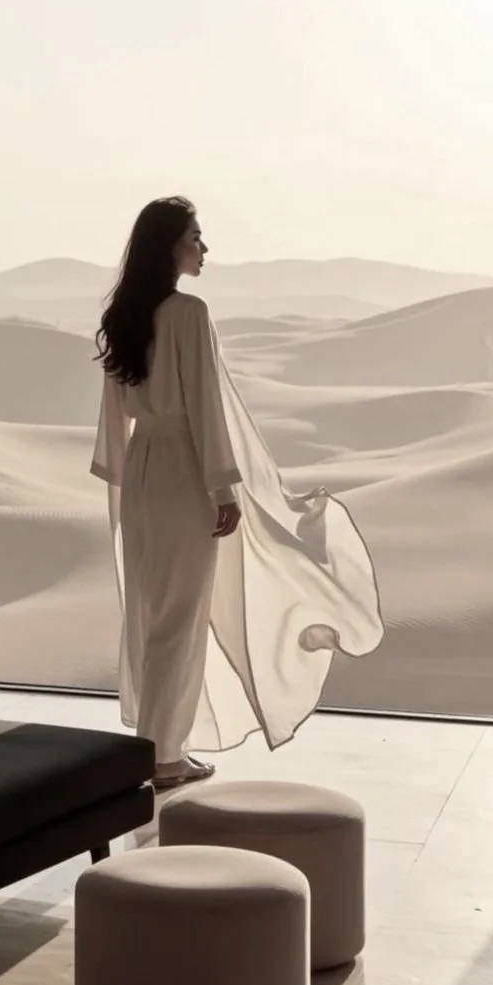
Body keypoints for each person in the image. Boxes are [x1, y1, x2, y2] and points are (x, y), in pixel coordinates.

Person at [91, 196, 383, 790]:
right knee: (179, 619)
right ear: (170, 245)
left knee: (153, 616)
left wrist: (128, 480)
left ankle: (155, 748)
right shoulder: (186, 313)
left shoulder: (127, 315)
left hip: (143, 476)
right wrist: (224, 487)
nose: (204, 248)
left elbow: (115, 417)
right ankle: (164, 757)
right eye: (196, 237)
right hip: (180, 474)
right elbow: (205, 406)